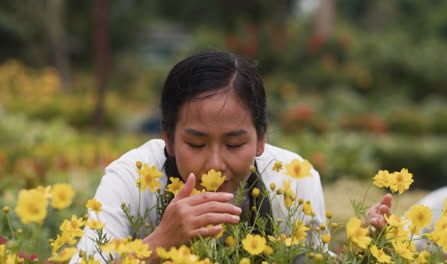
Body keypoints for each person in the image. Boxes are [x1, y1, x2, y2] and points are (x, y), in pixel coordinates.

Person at [71, 51, 385, 262]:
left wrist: (367, 249)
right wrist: (159, 243)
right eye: (196, 143)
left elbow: (310, 258)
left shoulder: (293, 179)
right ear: (168, 138)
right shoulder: (132, 178)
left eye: (234, 145)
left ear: (261, 139)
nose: (215, 165)